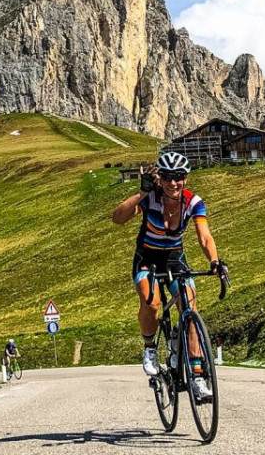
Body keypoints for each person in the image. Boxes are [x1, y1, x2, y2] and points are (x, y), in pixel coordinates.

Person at [111, 151, 228, 400]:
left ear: (185, 178)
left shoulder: (193, 202)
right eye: (167, 177)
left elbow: (204, 236)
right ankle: (150, 348)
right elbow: (118, 219)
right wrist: (141, 193)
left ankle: (196, 375)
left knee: (190, 306)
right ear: (159, 178)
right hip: (147, 257)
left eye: (178, 177)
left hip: (175, 257)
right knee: (151, 302)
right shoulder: (150, 197)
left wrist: (215, 261)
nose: (173, 183)